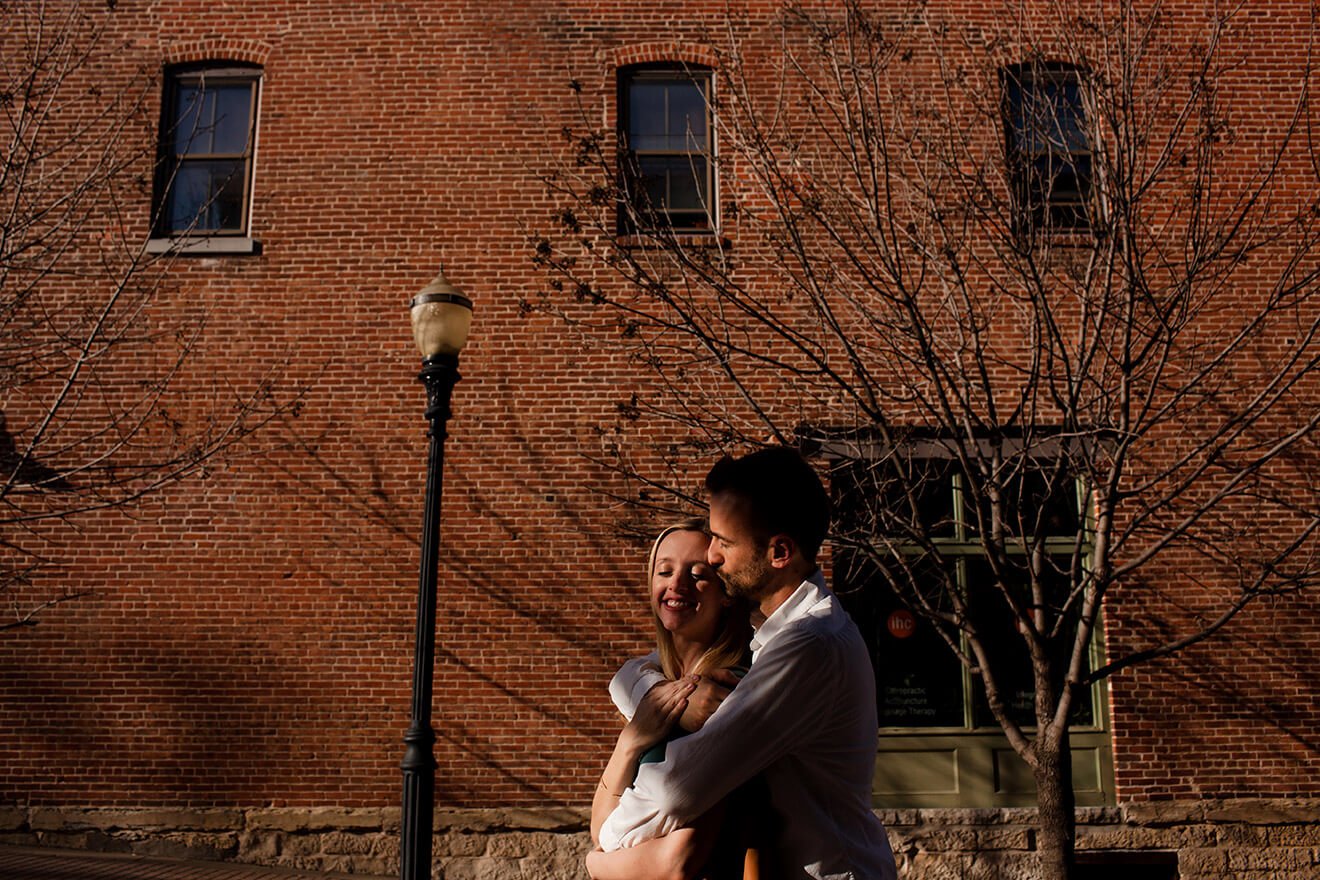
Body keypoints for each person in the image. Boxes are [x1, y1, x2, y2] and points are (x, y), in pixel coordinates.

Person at [598, 447, 899, 880]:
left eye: (724, 542)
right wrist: (666, 699)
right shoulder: (780, 635)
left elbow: (676, 788)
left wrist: (603, 852)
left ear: (779, 552)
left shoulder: (807, 648)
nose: (713, 555)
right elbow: (633, 672)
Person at [587, 518, 765, 880]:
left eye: (697, 574)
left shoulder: (725, 692)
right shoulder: (655, 694)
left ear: (726, 592)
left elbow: (676, 860)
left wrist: (597, 864)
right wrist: (631, 741)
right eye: (663, 571)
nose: (676, 584)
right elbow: (600, 828)